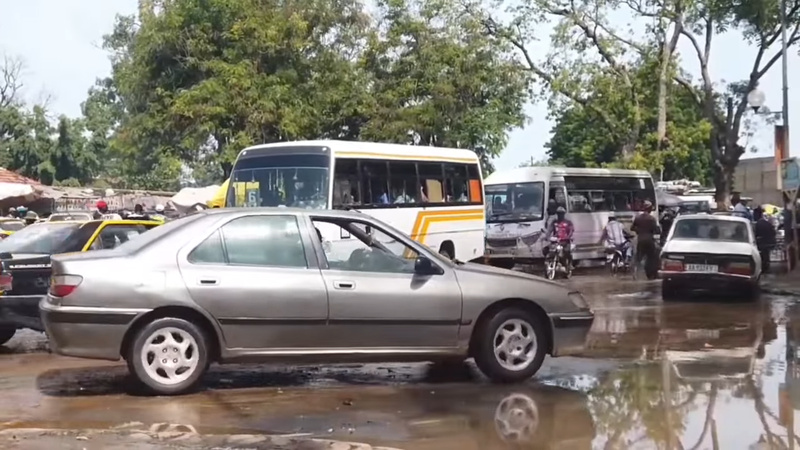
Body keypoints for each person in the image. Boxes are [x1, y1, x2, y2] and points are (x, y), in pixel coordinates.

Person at [631, 200, 660, 279]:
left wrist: (639, 231)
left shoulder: (638, 218)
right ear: (649, 209)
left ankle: (635, 274)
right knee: (652, 257)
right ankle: (651, 274)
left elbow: (632, 228)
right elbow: (657, 230)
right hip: (649, 240)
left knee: (638, 258)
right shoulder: (651, 219)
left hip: (640, 240)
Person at [754, 206, 777, 273]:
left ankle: (763, 266)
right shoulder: (767, 223)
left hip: (761, 243)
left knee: (763, 253)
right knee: (766, 254)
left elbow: (756, 234)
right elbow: (773, 232)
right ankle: (766, 265)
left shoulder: (757, 224)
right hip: (770, 242)